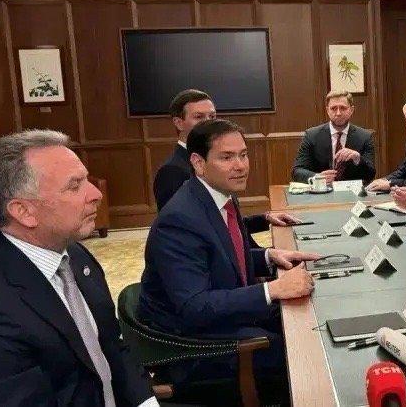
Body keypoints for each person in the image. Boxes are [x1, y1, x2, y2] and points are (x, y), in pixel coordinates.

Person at [138, 119, 318, 404]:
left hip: (220, 316)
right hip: (194, 344)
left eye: (243, 155)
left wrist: (269, 256)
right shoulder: (179, 220)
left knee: (310, 322)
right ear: (198, 163)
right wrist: (272, 289)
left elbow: (222, 257)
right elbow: (195, 307)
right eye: (227, 157)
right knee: (301, 350)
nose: (240, 166)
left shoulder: (220, 195)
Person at [0, 130, 156, 407]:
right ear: (24, 211)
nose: (96, 194)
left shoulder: (77, 257)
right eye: (74, 186)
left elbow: (112, 347)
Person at [153, 89, 299, 235]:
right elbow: (184, 231)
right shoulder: (171, 172)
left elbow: (225, 221)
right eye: (199, 117)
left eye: (212, 116)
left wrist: (265, 219)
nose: (209, 122)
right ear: (179, 123)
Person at [292, 90, 376, 184]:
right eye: (333, 108)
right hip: (322, 190)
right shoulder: (312, 135)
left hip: (353, 191)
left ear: (351, 110)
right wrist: (317, 177)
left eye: (343, 108)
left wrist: (358, 159)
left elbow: (371, 174)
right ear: (327, 110)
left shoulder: (365, 137)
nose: (338, 113)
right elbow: (297, 171)